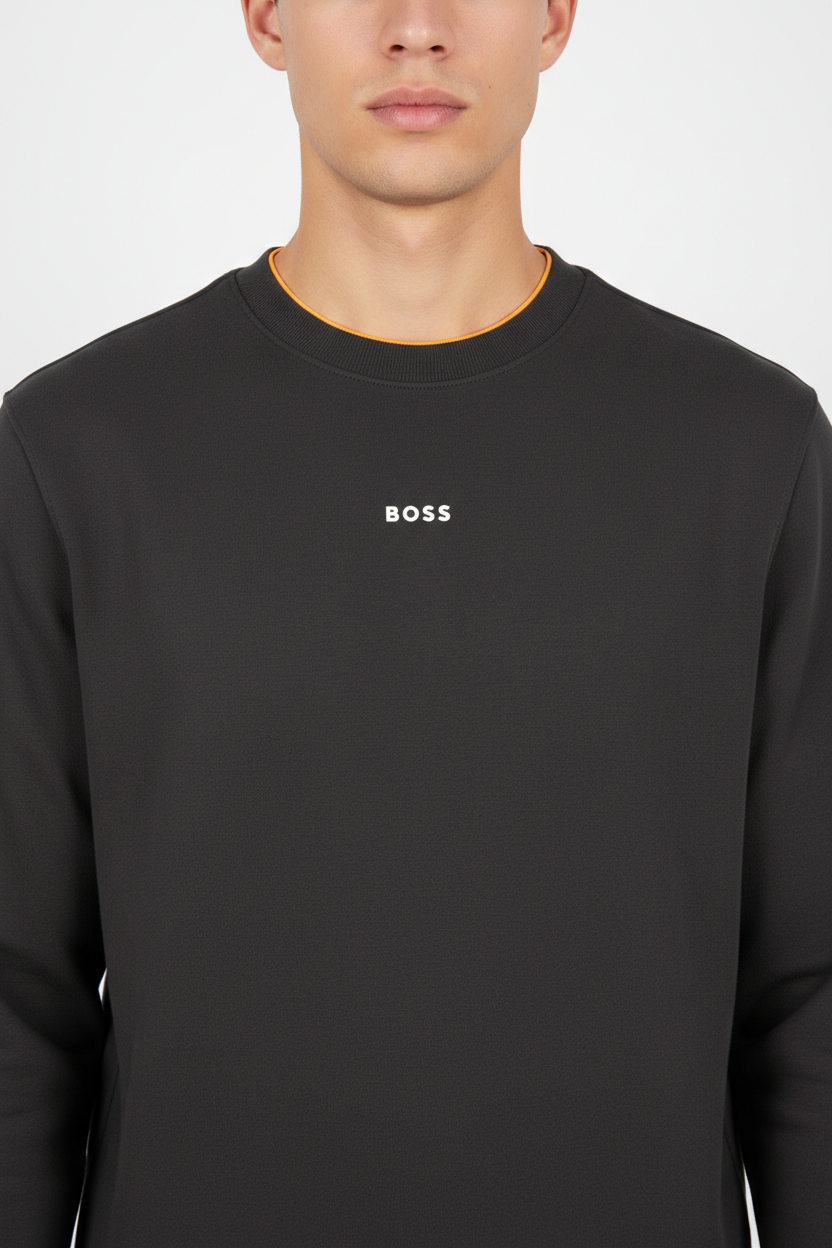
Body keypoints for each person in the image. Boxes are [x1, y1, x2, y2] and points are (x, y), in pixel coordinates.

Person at [1, 1, 829, 1244]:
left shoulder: (747, 445)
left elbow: (809, 993)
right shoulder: (78, 447)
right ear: (266, 17)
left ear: (554, 16)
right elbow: (19, 1001)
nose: (416, 28)